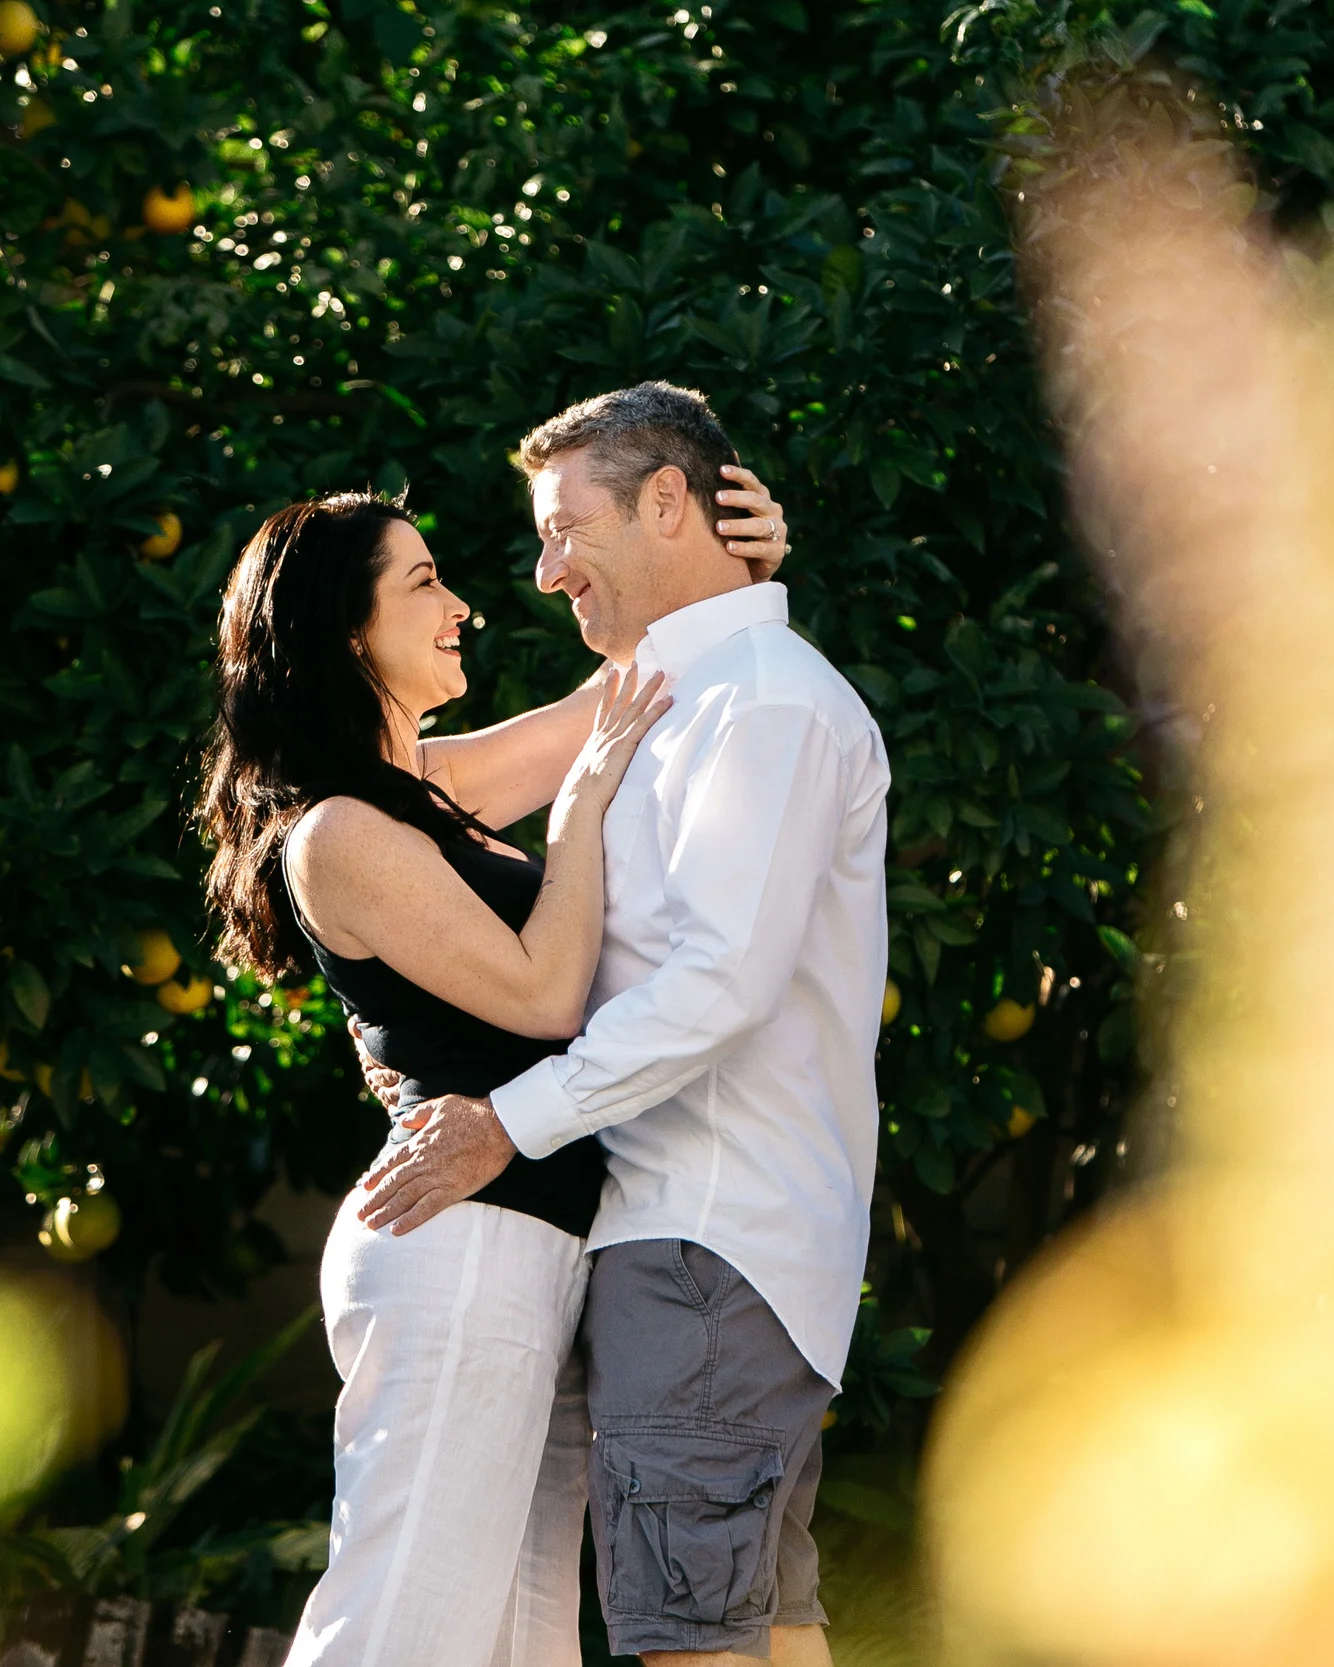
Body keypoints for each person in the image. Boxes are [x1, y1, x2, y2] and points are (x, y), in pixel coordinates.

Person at [198, 464, 790, 1667]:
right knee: (404, 1624)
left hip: (525, 1238)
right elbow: (541, 988)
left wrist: (744, 573)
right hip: (460, 1242)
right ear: (343, 631)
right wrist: (574, 825)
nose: (462, 604)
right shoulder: (339, 830)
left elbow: (631, 692)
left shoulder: (430, 788)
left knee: (522, 1638)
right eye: (423, 583)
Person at [358, 382, 890, 1666]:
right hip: (707, 1241)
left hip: (704, 1237)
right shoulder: (669, 696)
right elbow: (415, 784)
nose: (542, 576)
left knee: (693, 1637)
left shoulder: (756, 702)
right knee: (764, 1624)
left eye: (562, 529)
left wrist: (503, 1122)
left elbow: (717, 985)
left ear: (668, 502)